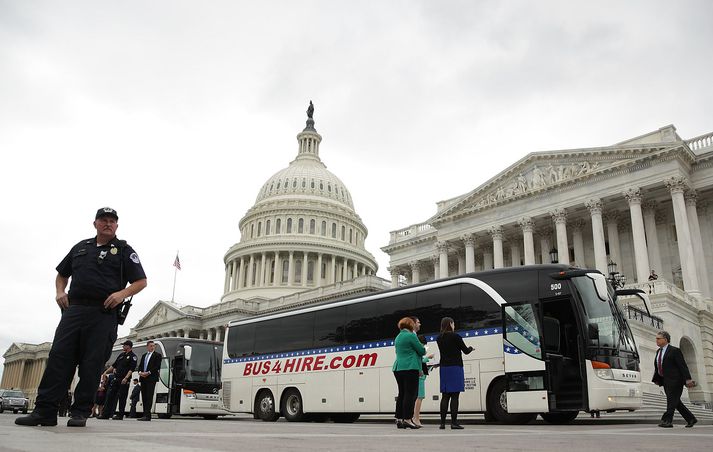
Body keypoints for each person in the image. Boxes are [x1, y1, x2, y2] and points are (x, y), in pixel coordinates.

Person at [15, 207, 147, 428]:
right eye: (103, 220)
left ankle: (80, 412)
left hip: (103, 312)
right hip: (74, 310)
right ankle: (44, 411)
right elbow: (61, 274)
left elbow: (141, 281)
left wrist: (121, 294)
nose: (108, 224)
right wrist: (60, 292)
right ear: (94, 223)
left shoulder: (124, 250)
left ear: (117, 226)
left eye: (112, 221)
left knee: (92, 363)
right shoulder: (80, 248)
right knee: (59, 358)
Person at [652, 331, 697, 428]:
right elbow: (659, 366)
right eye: (656, 338)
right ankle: (691, 418)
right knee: (675, 402)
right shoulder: (658, 352)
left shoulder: (675, 351)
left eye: (658, 338)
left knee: (671, 400)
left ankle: (667, 420)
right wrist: (657, 378)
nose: (656, 340)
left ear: (665, 339)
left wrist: (688, 379)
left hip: (676, 380)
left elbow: (682, 366)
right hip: (665, 381)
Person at [436, 317, 473, 430]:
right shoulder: (455, 336)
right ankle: (454, 423)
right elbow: (465, 351)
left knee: (445, 396)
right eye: (453, 323)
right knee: (455, 396)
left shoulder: (439, 338)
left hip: (444, 368)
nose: (454, 325)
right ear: (450, 324)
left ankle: (442, 423)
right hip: (455, 367)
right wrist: (471, 348)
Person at [392, 317, 426, 429]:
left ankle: (399, 418)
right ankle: (407, 419)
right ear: (410, 325)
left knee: (402, 394)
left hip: (398, 368)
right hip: (410, 367)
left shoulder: (398, 337)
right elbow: (421, 351)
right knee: (410, 394)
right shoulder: (411, 336)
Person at [98, 340, 137, 420]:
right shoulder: (121, 355)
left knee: (122, 397)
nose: (123, 347)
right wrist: (105, 372)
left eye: (124, 345)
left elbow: (131, 369)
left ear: (128, 346)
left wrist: (126, 378)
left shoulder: (133, 356)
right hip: (116, 378)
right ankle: (106, 414)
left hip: (124, 380)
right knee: (110, 396)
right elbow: (114, 366)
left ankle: (120, 414)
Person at [137, 340, 162, 421]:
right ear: (147, 346)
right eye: (151, 346)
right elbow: (140, 366)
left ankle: (148, 415)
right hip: (143, 378)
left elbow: (157, 366)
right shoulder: (144, 355)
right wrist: (140, 372)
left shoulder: (157, 355)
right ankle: (144, 414)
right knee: (144, 396)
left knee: (149, 396)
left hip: (151, 378)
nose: (152, 347)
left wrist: (148, 372)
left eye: (153, 346)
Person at [413, 335, 434, 427]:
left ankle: (415, 418)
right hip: (419, 378)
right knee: (419, 397)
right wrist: (428, 357)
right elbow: (419, 362)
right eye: (423, 345)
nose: (423, 347)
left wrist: (431, 366)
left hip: (420, 377)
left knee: (419, 398)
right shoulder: (417, 350)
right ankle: (416, 418)